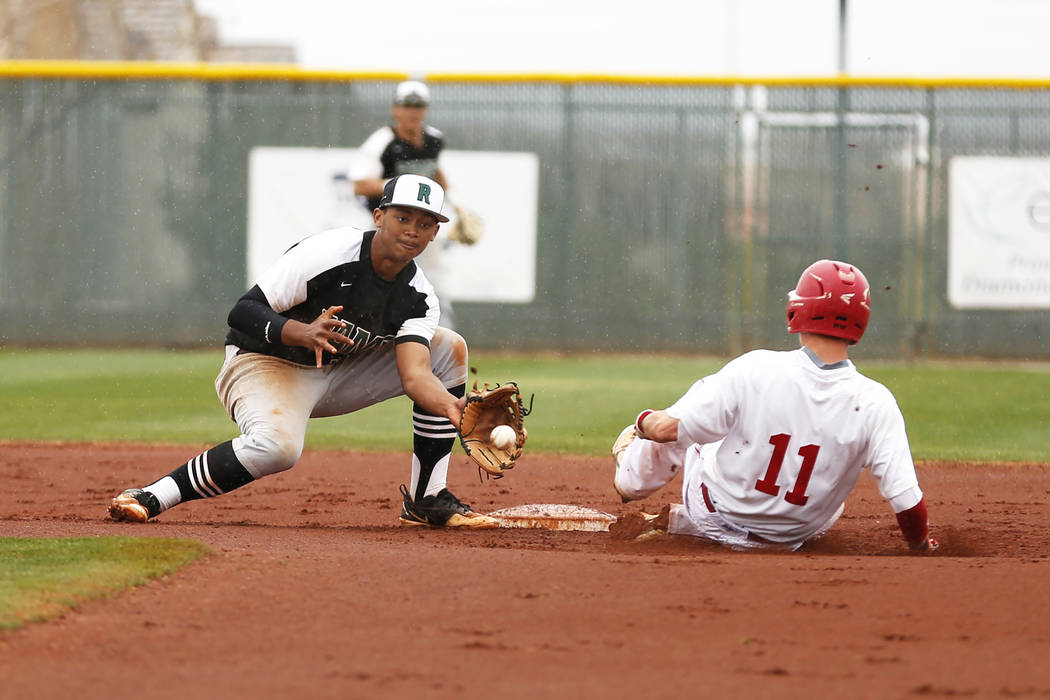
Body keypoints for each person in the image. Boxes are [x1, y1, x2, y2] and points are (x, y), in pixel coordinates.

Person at [108, 174, 498, 529]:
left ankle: (426, 498)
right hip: (262, 362)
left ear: (434, 235)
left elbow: (415, 375)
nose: (413, 231)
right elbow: (242, 312)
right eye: (403, 218)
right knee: (278, 449)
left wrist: (453, 408)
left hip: (337, 373)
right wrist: (301, 332)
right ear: (379, 216)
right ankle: (154, 495)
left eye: (426, 223)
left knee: (448, 347)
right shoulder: (329, 252)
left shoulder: (419, 298)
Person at [610, 259, 938, 553]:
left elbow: (668, 430)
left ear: (800, 308)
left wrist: (643, 422)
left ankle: (630, 480)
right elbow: (907, 501)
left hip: (716, 516)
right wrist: (921, 545)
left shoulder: (756, 368)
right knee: (835, 481)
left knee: (692, 427)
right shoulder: (875, 401)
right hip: (799, 534)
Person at [348, 80, 471, 329]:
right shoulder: (383, 141)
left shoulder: (434, 139)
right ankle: (363, 334)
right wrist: (404, 185)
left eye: (418, 106)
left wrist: (458, 207)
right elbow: (360, 184)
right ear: (396, 109)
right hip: (384, 224)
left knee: (435, 282)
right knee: (372, 279)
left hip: (423, 222)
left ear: (425, 110)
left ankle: (441, 336)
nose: (412, 112)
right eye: (407, 106)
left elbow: (437, 173)